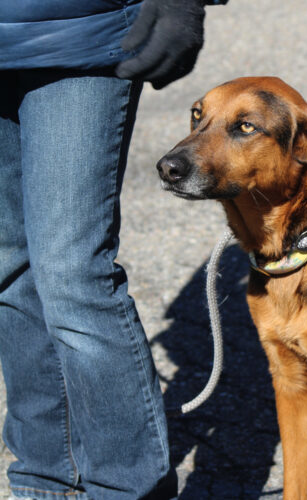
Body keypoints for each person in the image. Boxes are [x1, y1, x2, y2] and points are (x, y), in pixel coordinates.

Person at [0, 0, 227, 498]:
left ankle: (126, 490)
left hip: (82, 29)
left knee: (71, 273)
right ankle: (45, 481)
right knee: (8, 268)